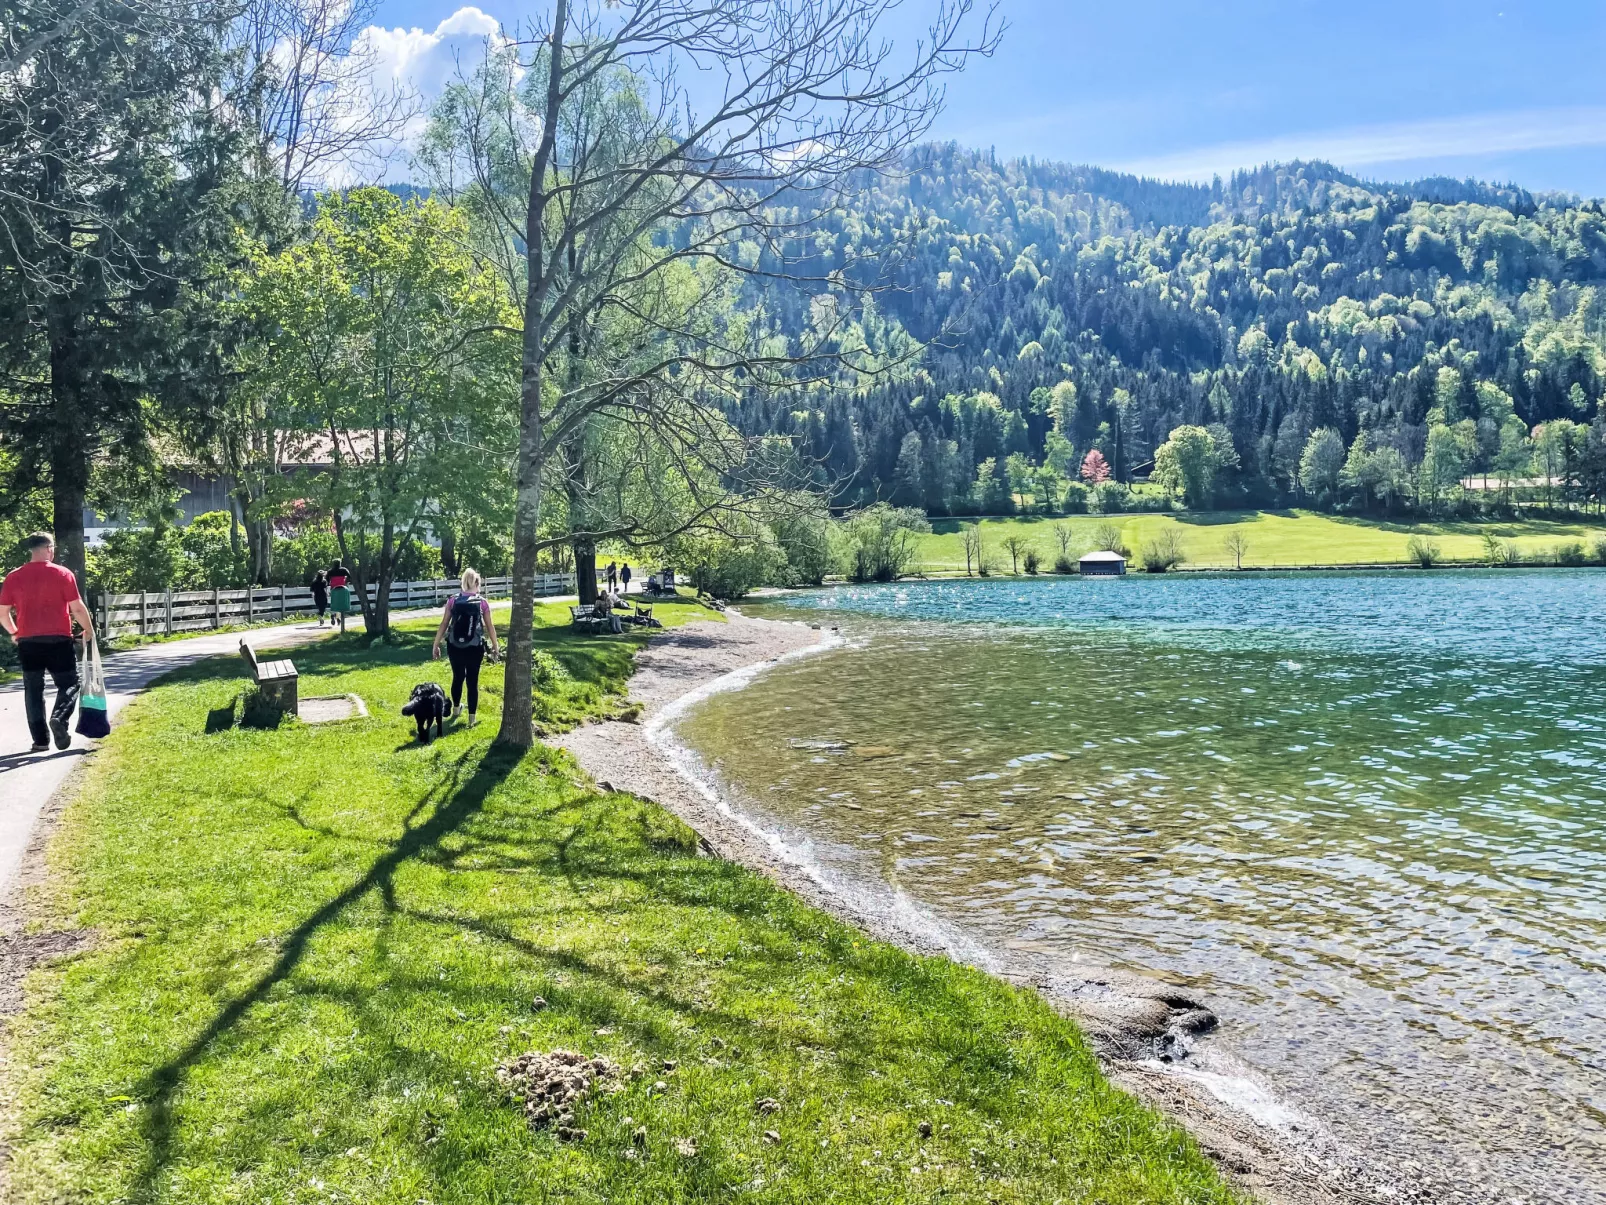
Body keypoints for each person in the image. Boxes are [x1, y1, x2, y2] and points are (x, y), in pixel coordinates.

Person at [0, 533, 96, 752]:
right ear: (48, 548)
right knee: (70, 684)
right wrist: (88, 630)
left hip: (28, 642)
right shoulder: (62, 573)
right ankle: (59, 719)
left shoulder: (13, 577)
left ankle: (40, 741)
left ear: (31, 550)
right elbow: (77, 608)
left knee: (33, 690)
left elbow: (2, 613)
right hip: (58, 640)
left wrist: (15, 633)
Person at [432, 568, 500, 726]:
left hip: (454, 646)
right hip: (475, 647)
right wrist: (495, 646)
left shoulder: (453, 600)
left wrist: (436, 644)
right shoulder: (482, 602)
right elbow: (490, 626)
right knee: (472, 681)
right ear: (477, 583)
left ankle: (456, 710)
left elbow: (444, 623)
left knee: (457, 678)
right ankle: (472, 719)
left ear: (463, 582)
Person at [327, 561, 351, 632]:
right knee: (340, 603)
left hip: (334, 589)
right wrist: (346, 581)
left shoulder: (330, 571)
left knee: (334, 602)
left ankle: (333, 614)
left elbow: (327, 580)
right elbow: (350, 577)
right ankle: (338, 617)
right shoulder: (344, 570)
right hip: (342, 588)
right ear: (340, 564)